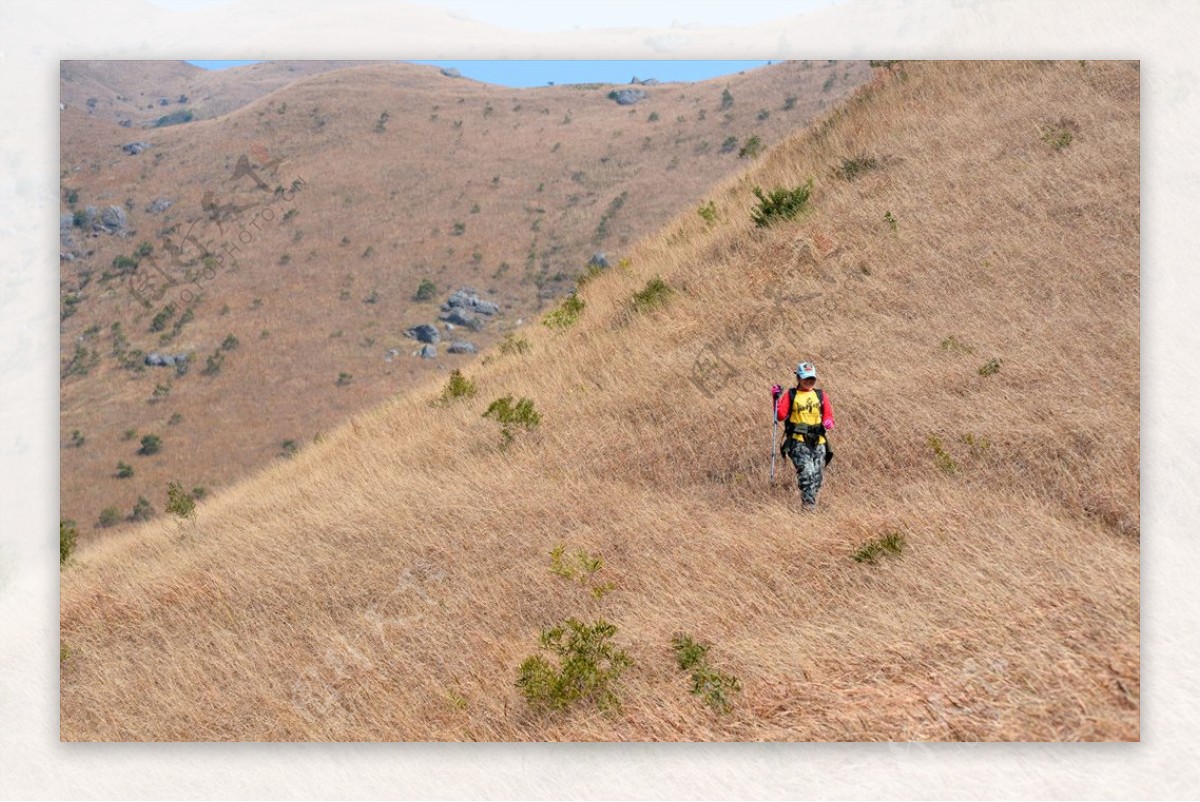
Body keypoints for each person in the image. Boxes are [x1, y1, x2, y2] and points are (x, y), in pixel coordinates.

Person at [773, 361, 835, 510]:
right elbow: (780, 416)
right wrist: (775, 400)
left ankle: (810, 503)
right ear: (798, 378)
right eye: (805, 378)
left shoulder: (820, 395)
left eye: (812, 379)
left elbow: (828, 415)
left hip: (819, 441)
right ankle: (808, 508)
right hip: (798, 441)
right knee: (807, 473)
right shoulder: (791, 395)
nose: (809, 381)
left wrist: (828, 422)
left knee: (817, 477)